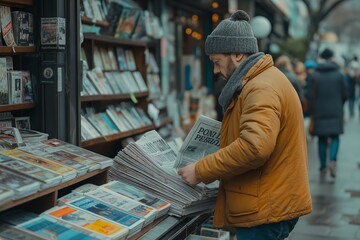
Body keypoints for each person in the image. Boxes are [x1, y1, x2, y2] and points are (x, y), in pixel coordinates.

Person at [178, 10, 312, 240]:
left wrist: (201, 170)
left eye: (217, 62)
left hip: (266, 209)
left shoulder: (260, 87)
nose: (216, 70)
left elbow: (254, 147)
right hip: (268, 203)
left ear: (238, 54)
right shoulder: (261, 81)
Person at [307, 48, 347, 179]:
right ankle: (333, 161)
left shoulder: (315, 74)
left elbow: (309, 95)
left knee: (322, 139)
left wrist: (312, 111)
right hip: (336, 110)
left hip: (319, 111)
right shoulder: (339, 74)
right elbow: (345, 93)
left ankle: (323, 166)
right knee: (335, 137)